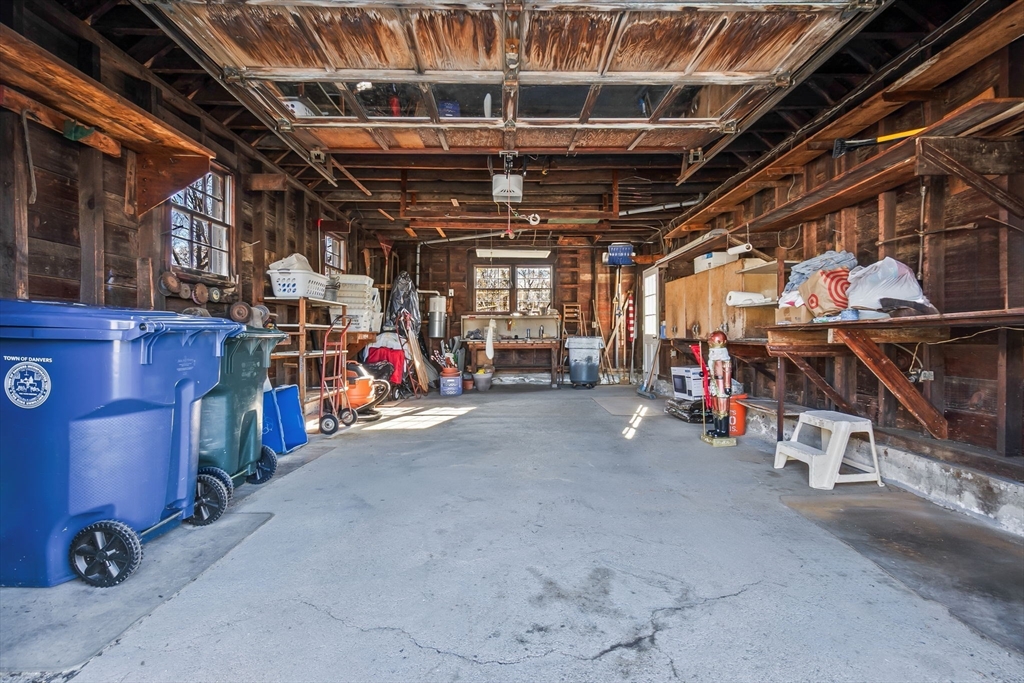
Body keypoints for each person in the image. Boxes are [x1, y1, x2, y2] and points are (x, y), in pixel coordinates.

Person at [706, 331, 732, 438]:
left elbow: (727, 373)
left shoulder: (725, 360)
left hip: (721, 384)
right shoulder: (712, 359)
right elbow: (710, 371)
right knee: (715, 407)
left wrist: (727, 387)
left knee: (722, 408)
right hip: (713, 383)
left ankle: (723, 431)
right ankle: (717, 428)